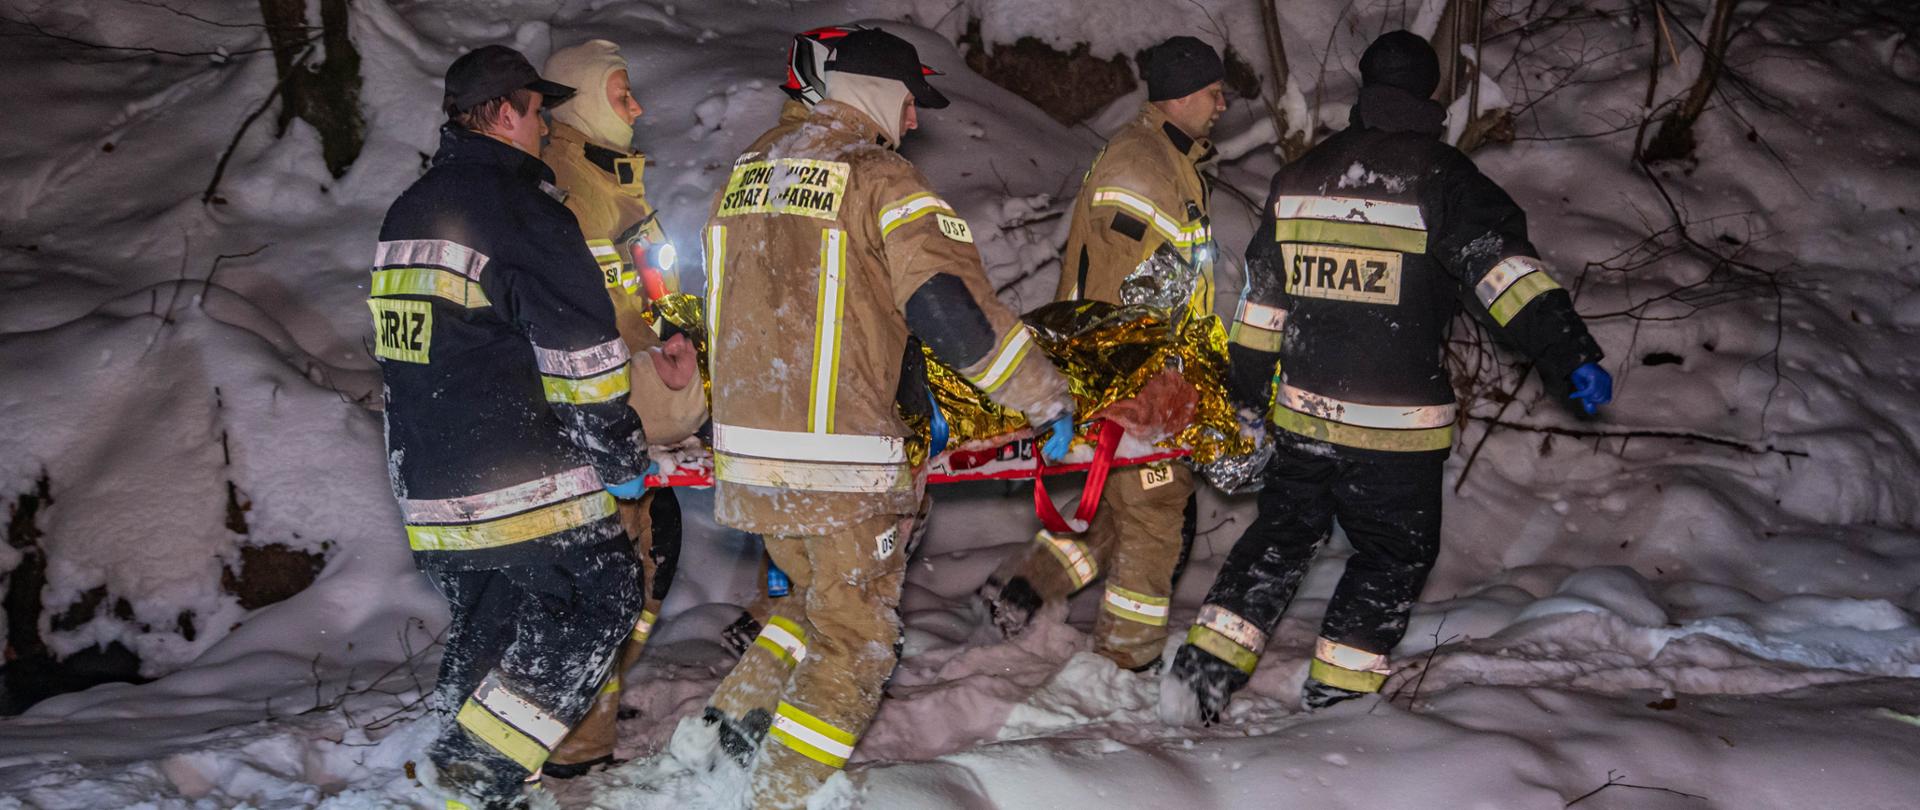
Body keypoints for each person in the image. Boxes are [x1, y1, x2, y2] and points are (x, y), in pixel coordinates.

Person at [1165, 30, 1614, 721]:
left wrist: (1246, 398)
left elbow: (1261, 307)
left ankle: (1200, 673)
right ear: (1429, 94)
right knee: (1392, 554)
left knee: (1281, 537)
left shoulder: (1302, 177)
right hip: (1394, 430)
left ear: (1366, 90)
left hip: (1303, 417)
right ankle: (1340, 700)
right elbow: (1504, 275)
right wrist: (1569, 353)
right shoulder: (1438, 177)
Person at [686, 28, 1074, 808]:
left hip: (752, 457)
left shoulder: (750, 172)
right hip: (842, 463)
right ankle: (780, 795)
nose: (916, 121)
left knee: (807, 604)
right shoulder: (880, 179)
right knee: (858, 642)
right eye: (907, 101)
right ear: (867, 90)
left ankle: (713, 751)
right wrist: (1042, 397)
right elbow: (952, 313)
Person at [371, 45, 650, 808]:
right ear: (502, 113)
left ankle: (449, 771)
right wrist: (622, 457)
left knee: (493, 624)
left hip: (429, 479)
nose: (545, 125)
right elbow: (584, 363)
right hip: (517, 475)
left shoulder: (409, 208)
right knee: (601, 597)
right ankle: (470, 774)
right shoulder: (525, 210)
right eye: (536, 110)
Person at [976, 35, 1224, 673]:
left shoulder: (1167, 159)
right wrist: (1137, 385)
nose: (1223, 104)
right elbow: (1118, 287)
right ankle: (1126, 661)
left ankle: (1027, 586)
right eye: (1215, 92)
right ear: (1185, 94)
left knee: (1130, 508)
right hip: (1128, 377)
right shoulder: (1142, 165)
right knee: (1156, 516)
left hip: (1145, 376)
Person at [535, 38, 706, 778]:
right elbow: (576, 320)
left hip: (637, 389)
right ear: (579, 101)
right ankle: (576, 745)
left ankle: (588, 714)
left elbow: (654, 295)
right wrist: (667, 367)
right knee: (611, 575)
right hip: (604, 407)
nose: (637, 108)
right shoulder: (564, 188)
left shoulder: (616, 186)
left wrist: (682, 334)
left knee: (646, 554)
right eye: (620, 94)